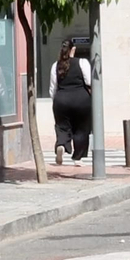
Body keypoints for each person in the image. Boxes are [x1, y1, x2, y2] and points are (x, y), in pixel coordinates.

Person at [49, 38, 92, 166]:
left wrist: (56, 101)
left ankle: (61, 145)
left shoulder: (55, 65)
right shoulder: (82, 62)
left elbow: (53, 88)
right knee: (81, 128)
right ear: (73, 49)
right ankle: (77, 157)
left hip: (61, 100)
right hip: (81, 100)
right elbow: (89, 81)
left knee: (62, 126)